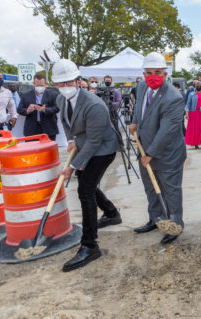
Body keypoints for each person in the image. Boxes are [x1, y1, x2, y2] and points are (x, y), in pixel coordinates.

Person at [53, 59, 122, 272]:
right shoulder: (60, 99)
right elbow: (65, 122)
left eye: (68, 82)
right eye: (60, 83)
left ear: (77, 80)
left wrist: (72, 166)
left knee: (85, 189)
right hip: (85, 144)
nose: (65, 87)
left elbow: (94, 141)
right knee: (87, 184)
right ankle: (111, 213)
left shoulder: (94, 104)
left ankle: (90, 245)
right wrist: (71, 140)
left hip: (104, 148)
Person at [129, 53, 186, 245]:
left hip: (168, 154)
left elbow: (167, 132)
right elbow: (139, 108)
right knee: (151, 189)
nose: (153, 76)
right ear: (143, 73)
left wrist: (151, 154)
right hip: (145, 149)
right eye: (149, 72)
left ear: (165, 72)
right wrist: (134, 122)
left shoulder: (173, 97)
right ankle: (156, 219)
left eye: (157, 72)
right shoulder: (142, 86)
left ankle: (175, 224)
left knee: (170, 190)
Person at [17, 73, 60, 141]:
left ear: (46, 84)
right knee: (32, 150)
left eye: (42, 85)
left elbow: (57, 108)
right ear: (33, 84)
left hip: (49, 129)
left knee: (48, 150)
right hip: (31, 130)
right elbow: (19, 109)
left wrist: (45, 109)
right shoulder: (26, 95)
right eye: (37, 85)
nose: (39, 87)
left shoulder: (53, 95)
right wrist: (28, 110)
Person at [185, 81, 201, 149]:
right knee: (194, 129)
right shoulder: (191, 94)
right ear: (195, 86)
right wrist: (187, 114)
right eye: (197, 85)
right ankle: (196, 144)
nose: (199, 86)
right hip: (193, 113)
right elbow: (188, 104)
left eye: (200, 85)